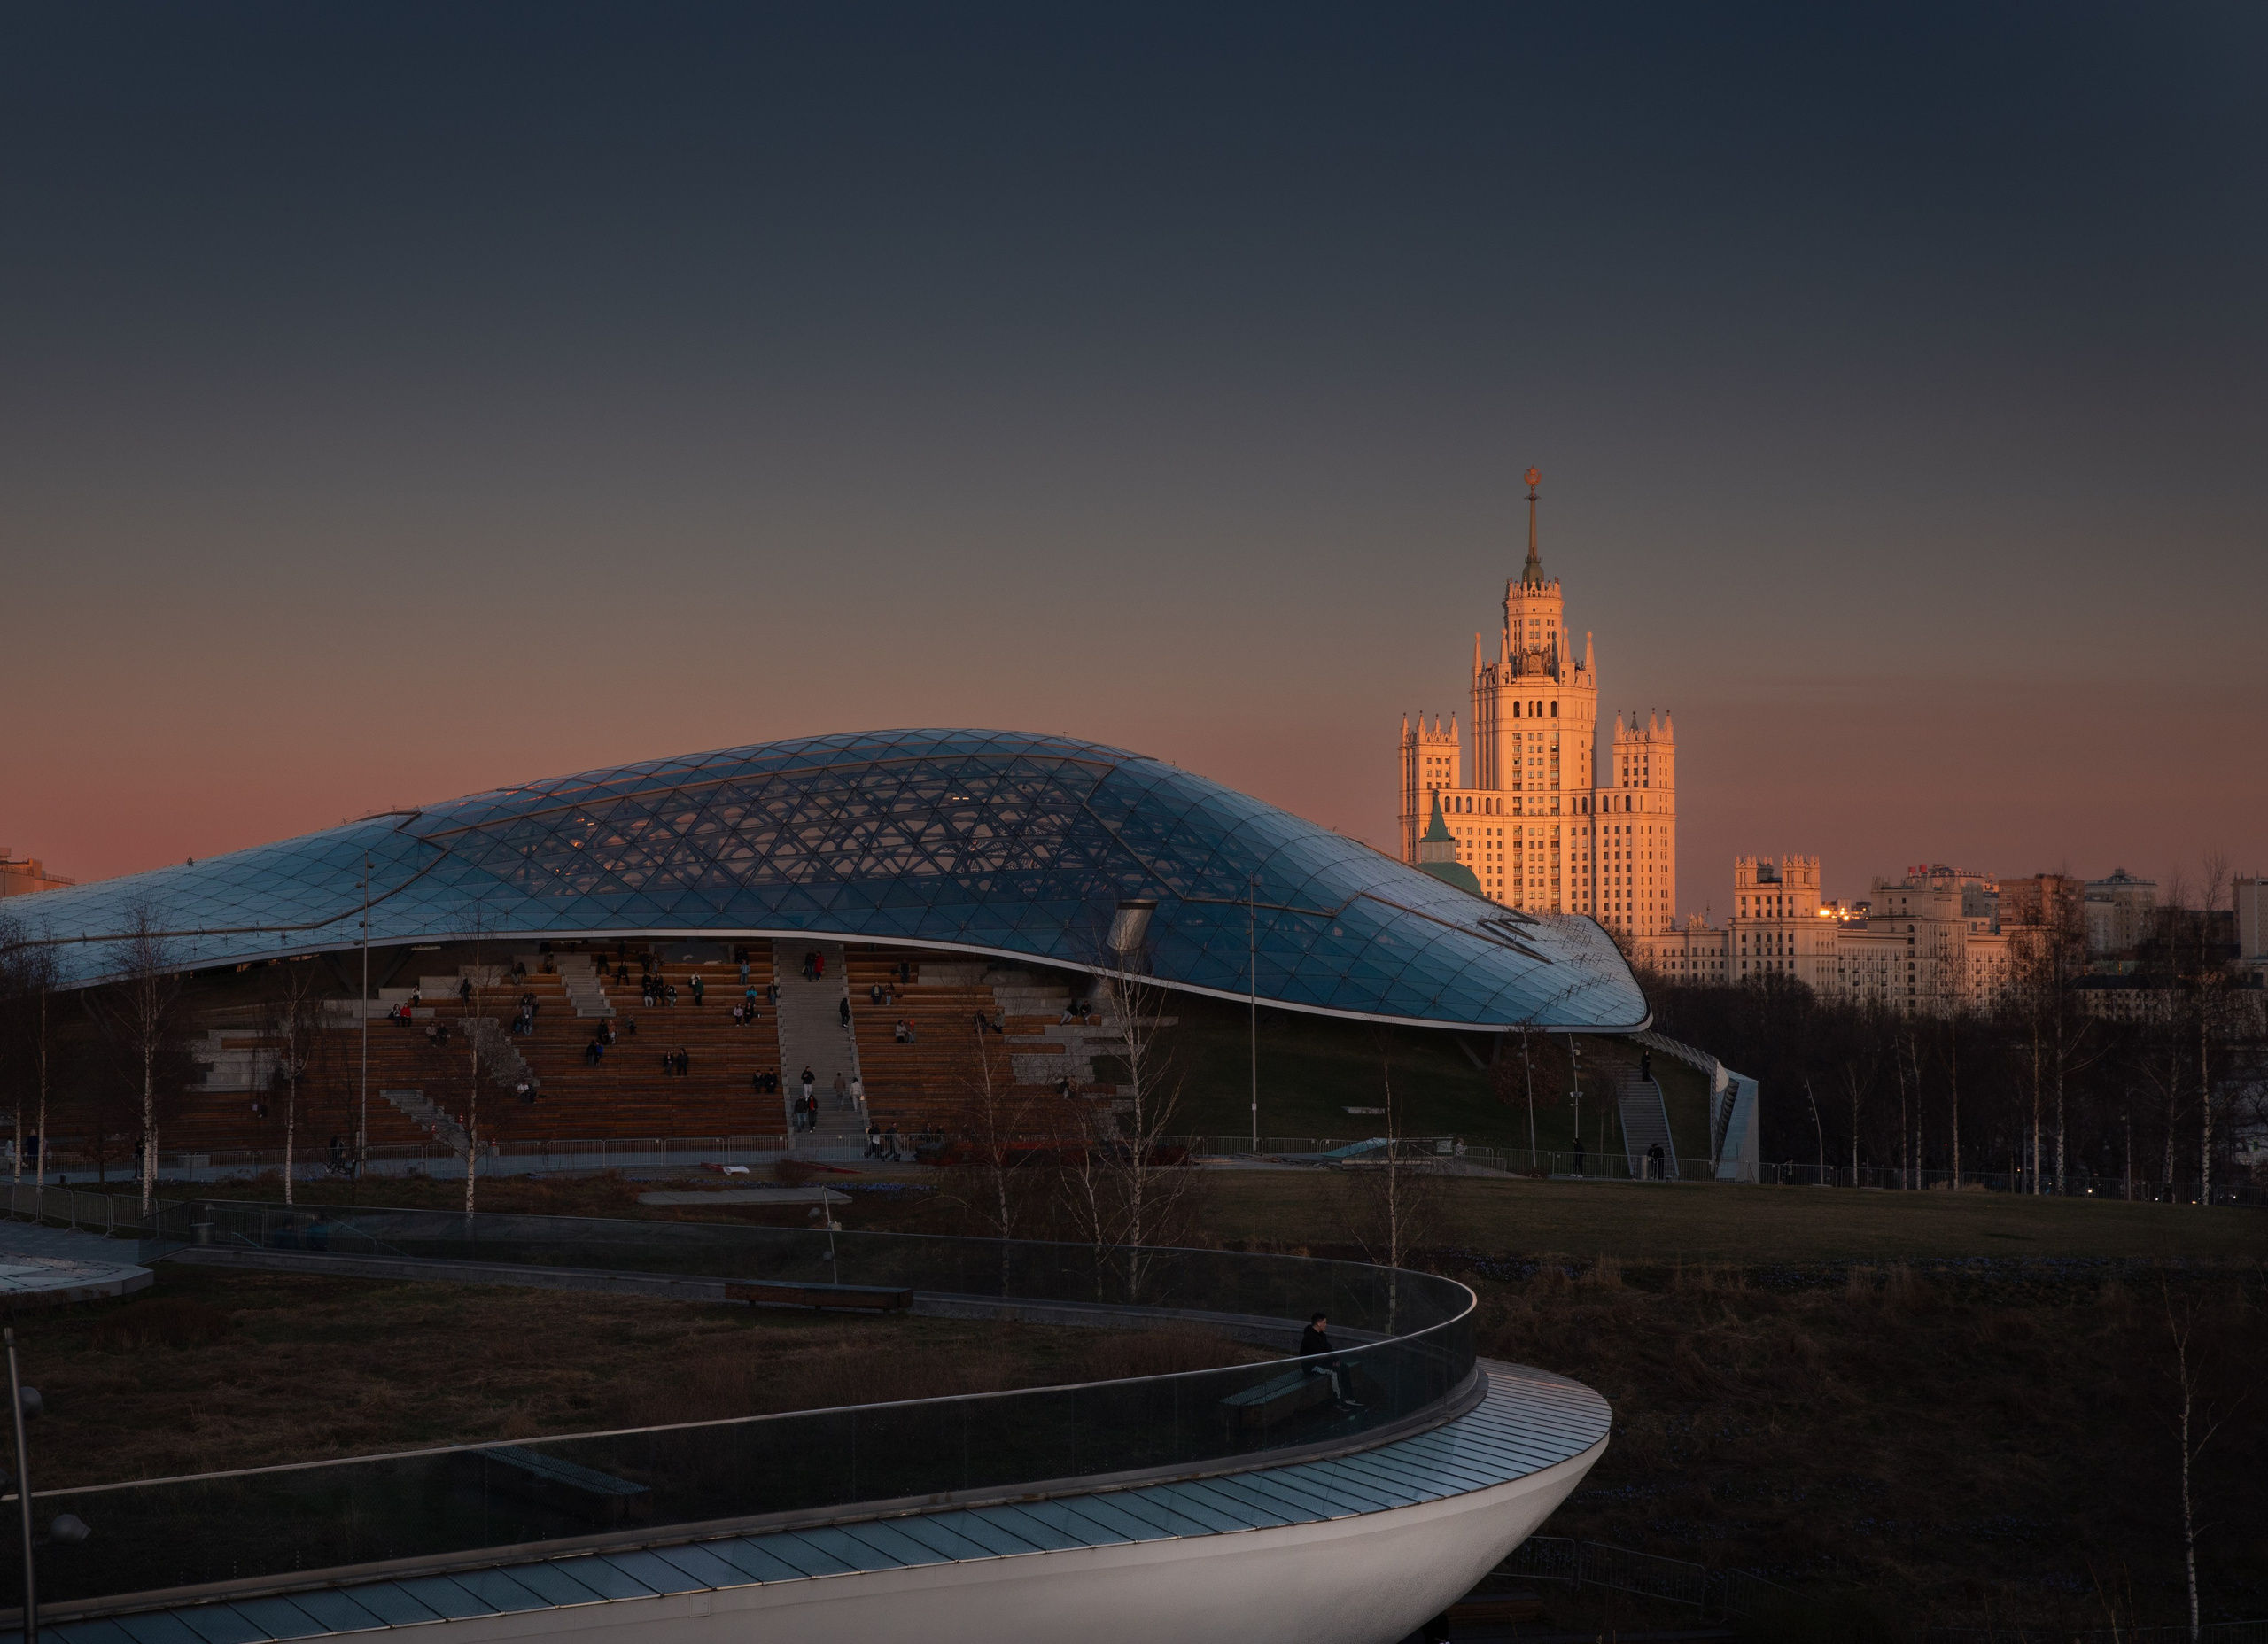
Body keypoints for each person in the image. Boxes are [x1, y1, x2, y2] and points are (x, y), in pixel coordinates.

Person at [1299, 1313, 1358, 1409]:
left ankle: (1349, 1397)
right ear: (1318, 1323)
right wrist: (1332, 1362)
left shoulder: (1321, 1335)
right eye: (1324, 1322)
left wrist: (1335, 1359)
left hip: (1322, 1362)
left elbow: (1328, 1349)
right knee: (1334, 1372)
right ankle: (1338, 1400)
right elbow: (1318, 1355)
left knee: (1344, 1368)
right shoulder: (1309, 1338)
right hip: (1312, 1366)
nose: (1326, 1325)